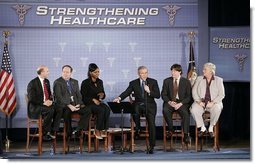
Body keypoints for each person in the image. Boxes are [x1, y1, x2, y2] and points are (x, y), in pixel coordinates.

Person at [113, 66, 160, 154]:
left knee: (152, 124)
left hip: (150, 105)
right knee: (135, 107)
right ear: (138, 74)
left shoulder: (153, 81)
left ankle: (152, 146)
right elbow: (127, 92)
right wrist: (119, 98)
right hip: (138, 104)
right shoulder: (133, 83)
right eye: (142, 73)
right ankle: (138, 128)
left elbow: (157, 95)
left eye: (146, 72)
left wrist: (149, 91)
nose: (144, 75)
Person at [53, 65, 91, 138]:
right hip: (64, 106)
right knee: (67, 111)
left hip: (75, 105)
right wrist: (69, 105)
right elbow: (59, 97)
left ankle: (78, 130)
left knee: (88, 110)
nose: (65, 73)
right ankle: (69, 132)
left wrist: (79, 104)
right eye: (64, 72)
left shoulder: (75, 82)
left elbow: (79, 95)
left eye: (67, 72)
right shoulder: (57, 82)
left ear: (71, 73)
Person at [190, 62, 225, 138]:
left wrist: (213, 102)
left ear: (211, 71)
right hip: (201, 102)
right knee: (194, 109)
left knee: (217, 108)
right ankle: (202, 127)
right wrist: (198, 101)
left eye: (205, 69)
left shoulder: (219, 80)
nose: (203, 71)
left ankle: (211, 128)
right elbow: (194, 91)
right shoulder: (199, 79)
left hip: (214, 103)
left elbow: (221, 95)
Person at [161, 64, 192, 144]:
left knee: (185, 114)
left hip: (181, 103)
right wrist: (169, 102)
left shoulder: (186, 82)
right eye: (172, 71)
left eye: (174, 71)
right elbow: (163, 94)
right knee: (165, 109)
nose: (172, 73)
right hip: (170, 102)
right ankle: (171, 129)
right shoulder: (167, 81)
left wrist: (180, 103)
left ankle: (185, 135)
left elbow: (189, 97)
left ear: (180, 72)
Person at [81, 63, 110, 139]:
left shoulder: (100, 82)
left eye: (98, 72)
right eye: (95, 72)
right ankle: (97, 129)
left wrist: (102, 95)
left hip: (98, 102)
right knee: (101, 109)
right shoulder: (85, 83)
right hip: (88, 103)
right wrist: (93, 99)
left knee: (107, 108)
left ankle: (104, 129)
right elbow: (83, 97)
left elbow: (103, 94)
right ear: (90, 73)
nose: (97, 73)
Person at [27, 65, 56, 140]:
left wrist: (50, 100)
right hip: (35, 106)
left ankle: (51, 130)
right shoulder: (33, 83)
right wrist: (43, 103)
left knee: (58, 108)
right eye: (47, 71)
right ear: (42, 72)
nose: (48, 73)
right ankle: (45, 132)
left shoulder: (47, 81)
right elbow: (32, 99)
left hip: (45, 105)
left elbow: (49, 95)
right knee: (50, 110)